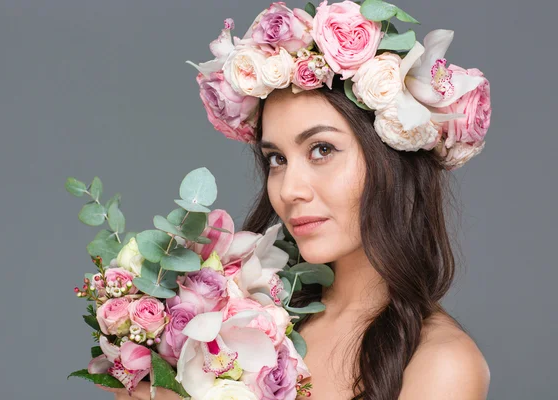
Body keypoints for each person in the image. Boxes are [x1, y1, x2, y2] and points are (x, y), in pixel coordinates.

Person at [98, 0, 492, 398]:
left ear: (392, 158)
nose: (289, 190)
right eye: (277, 159)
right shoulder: (241, 315)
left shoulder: (443, 364)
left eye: (322, 150)